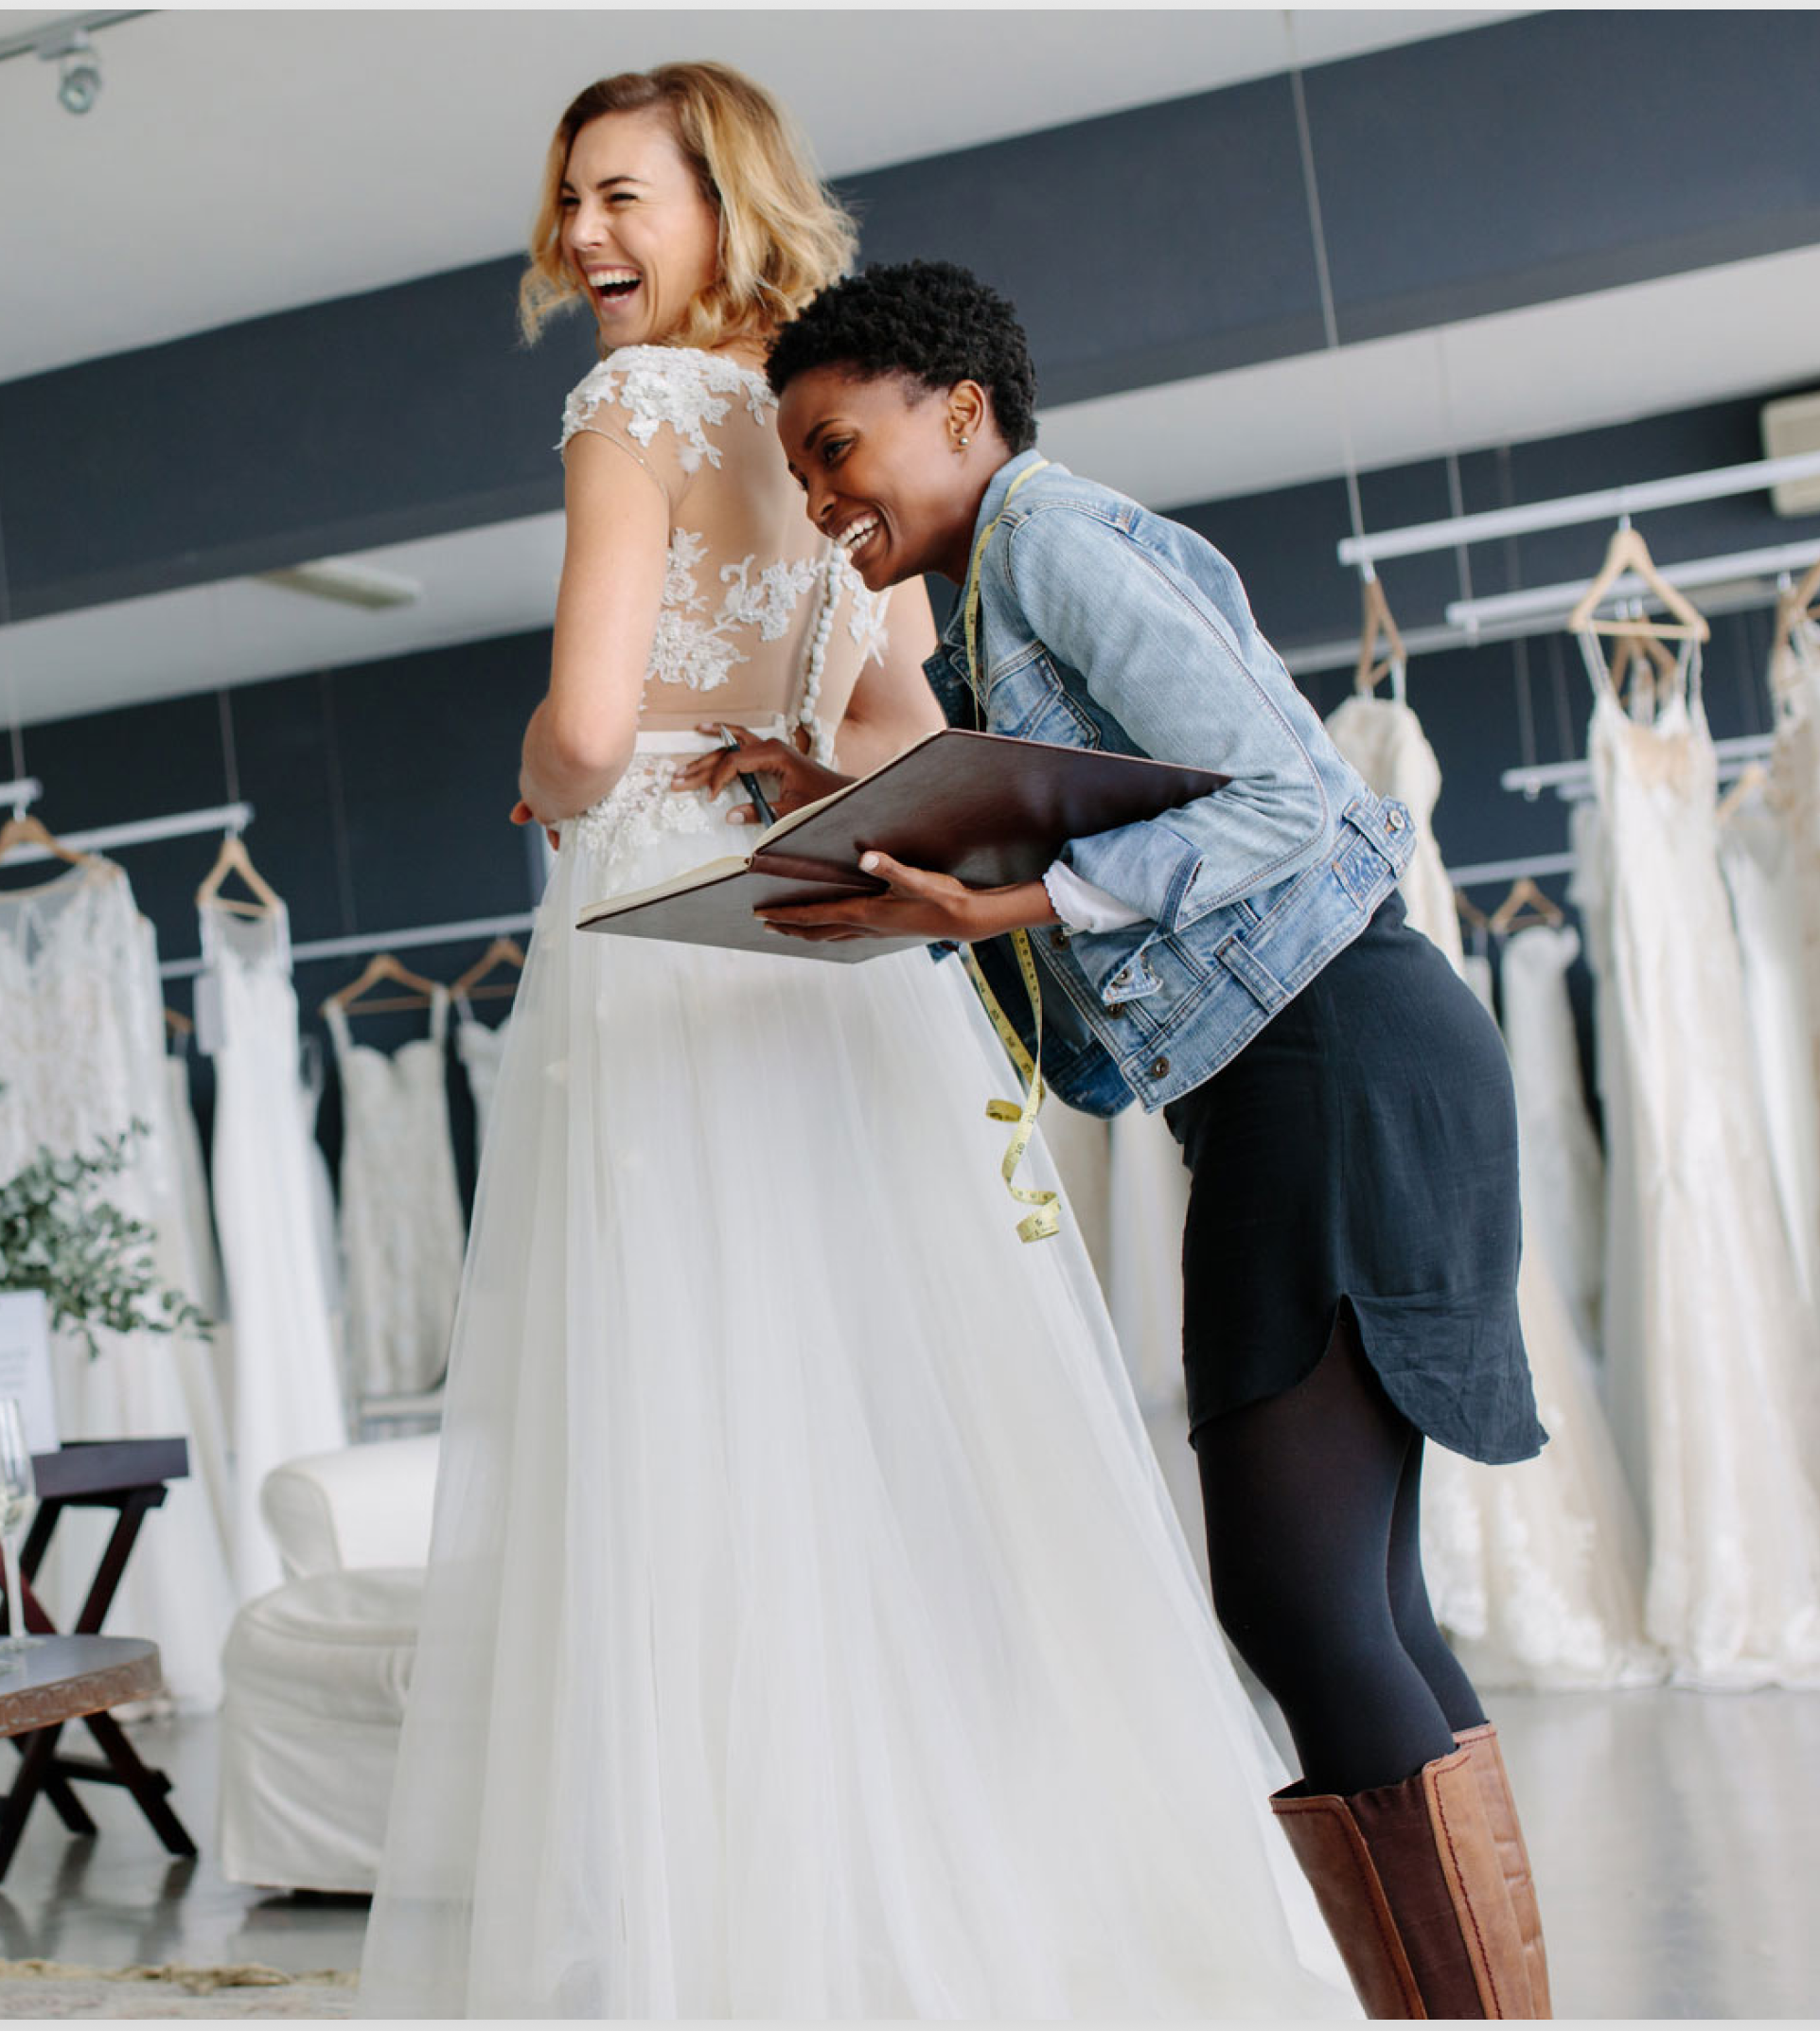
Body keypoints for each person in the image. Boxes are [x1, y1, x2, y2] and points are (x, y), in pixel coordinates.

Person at [357, 65, 1353, 2019]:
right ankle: (984, 1901)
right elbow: (905, 727)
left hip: (659, 925)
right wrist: (793, 770)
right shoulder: (832, 431)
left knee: (683, 1429)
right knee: (903, 1425)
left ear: (723, 199)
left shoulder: (631, 411)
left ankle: (742, 1939)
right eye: (568, 204)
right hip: (829, 926)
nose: (582, 242)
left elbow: (579, 722)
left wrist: (550, 770)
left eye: (622, 198)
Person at [752, 257, 1552, 2020]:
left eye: (836, 449)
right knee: (1357, 1603)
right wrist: (853, 827)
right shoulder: (985, 609)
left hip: (1330, 1055)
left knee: (1297, 1600)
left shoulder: (1048, 540)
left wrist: (1020, 896)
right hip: (1326, 1064)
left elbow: (1296, 797)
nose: (819, 503)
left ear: (959, 412)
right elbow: (1094, 830)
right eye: (798, 473)